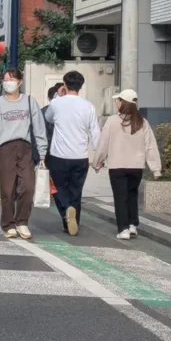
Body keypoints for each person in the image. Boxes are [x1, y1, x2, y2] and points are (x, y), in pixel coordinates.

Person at [0, 69, 48, 239]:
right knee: (7, 189)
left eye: (11, 79)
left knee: (28, 186)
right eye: (5, 80)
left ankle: (22, 222)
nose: (8, 83)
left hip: (25, 148)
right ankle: (8, 224)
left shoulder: (29, 101)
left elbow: (39, 127)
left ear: (20, 82)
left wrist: (42, 151)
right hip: (5, 149)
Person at [94, 89, 162, 240]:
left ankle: (123, 228)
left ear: (122, 103)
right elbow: (150, 146)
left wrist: (97, 162)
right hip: (136, 167)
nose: (116, 103)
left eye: (118, 100)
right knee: (132, 194)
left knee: (120, 197)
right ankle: (132, 225)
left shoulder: (112, 121)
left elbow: (103, 144)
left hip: (117, 166)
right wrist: (156, 169)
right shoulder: (142, 122)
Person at [45, 70, 100, 235]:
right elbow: (95, 132)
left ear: (64, 84)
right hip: (80, 156)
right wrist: (99, 156)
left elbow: (48, 118)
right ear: (81, 86)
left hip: (59, 155)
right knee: (76, 191)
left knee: (59, 188)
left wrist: (57, 96)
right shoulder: (88, 106)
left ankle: (66, 213)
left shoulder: (56, 103)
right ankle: (73, 222)